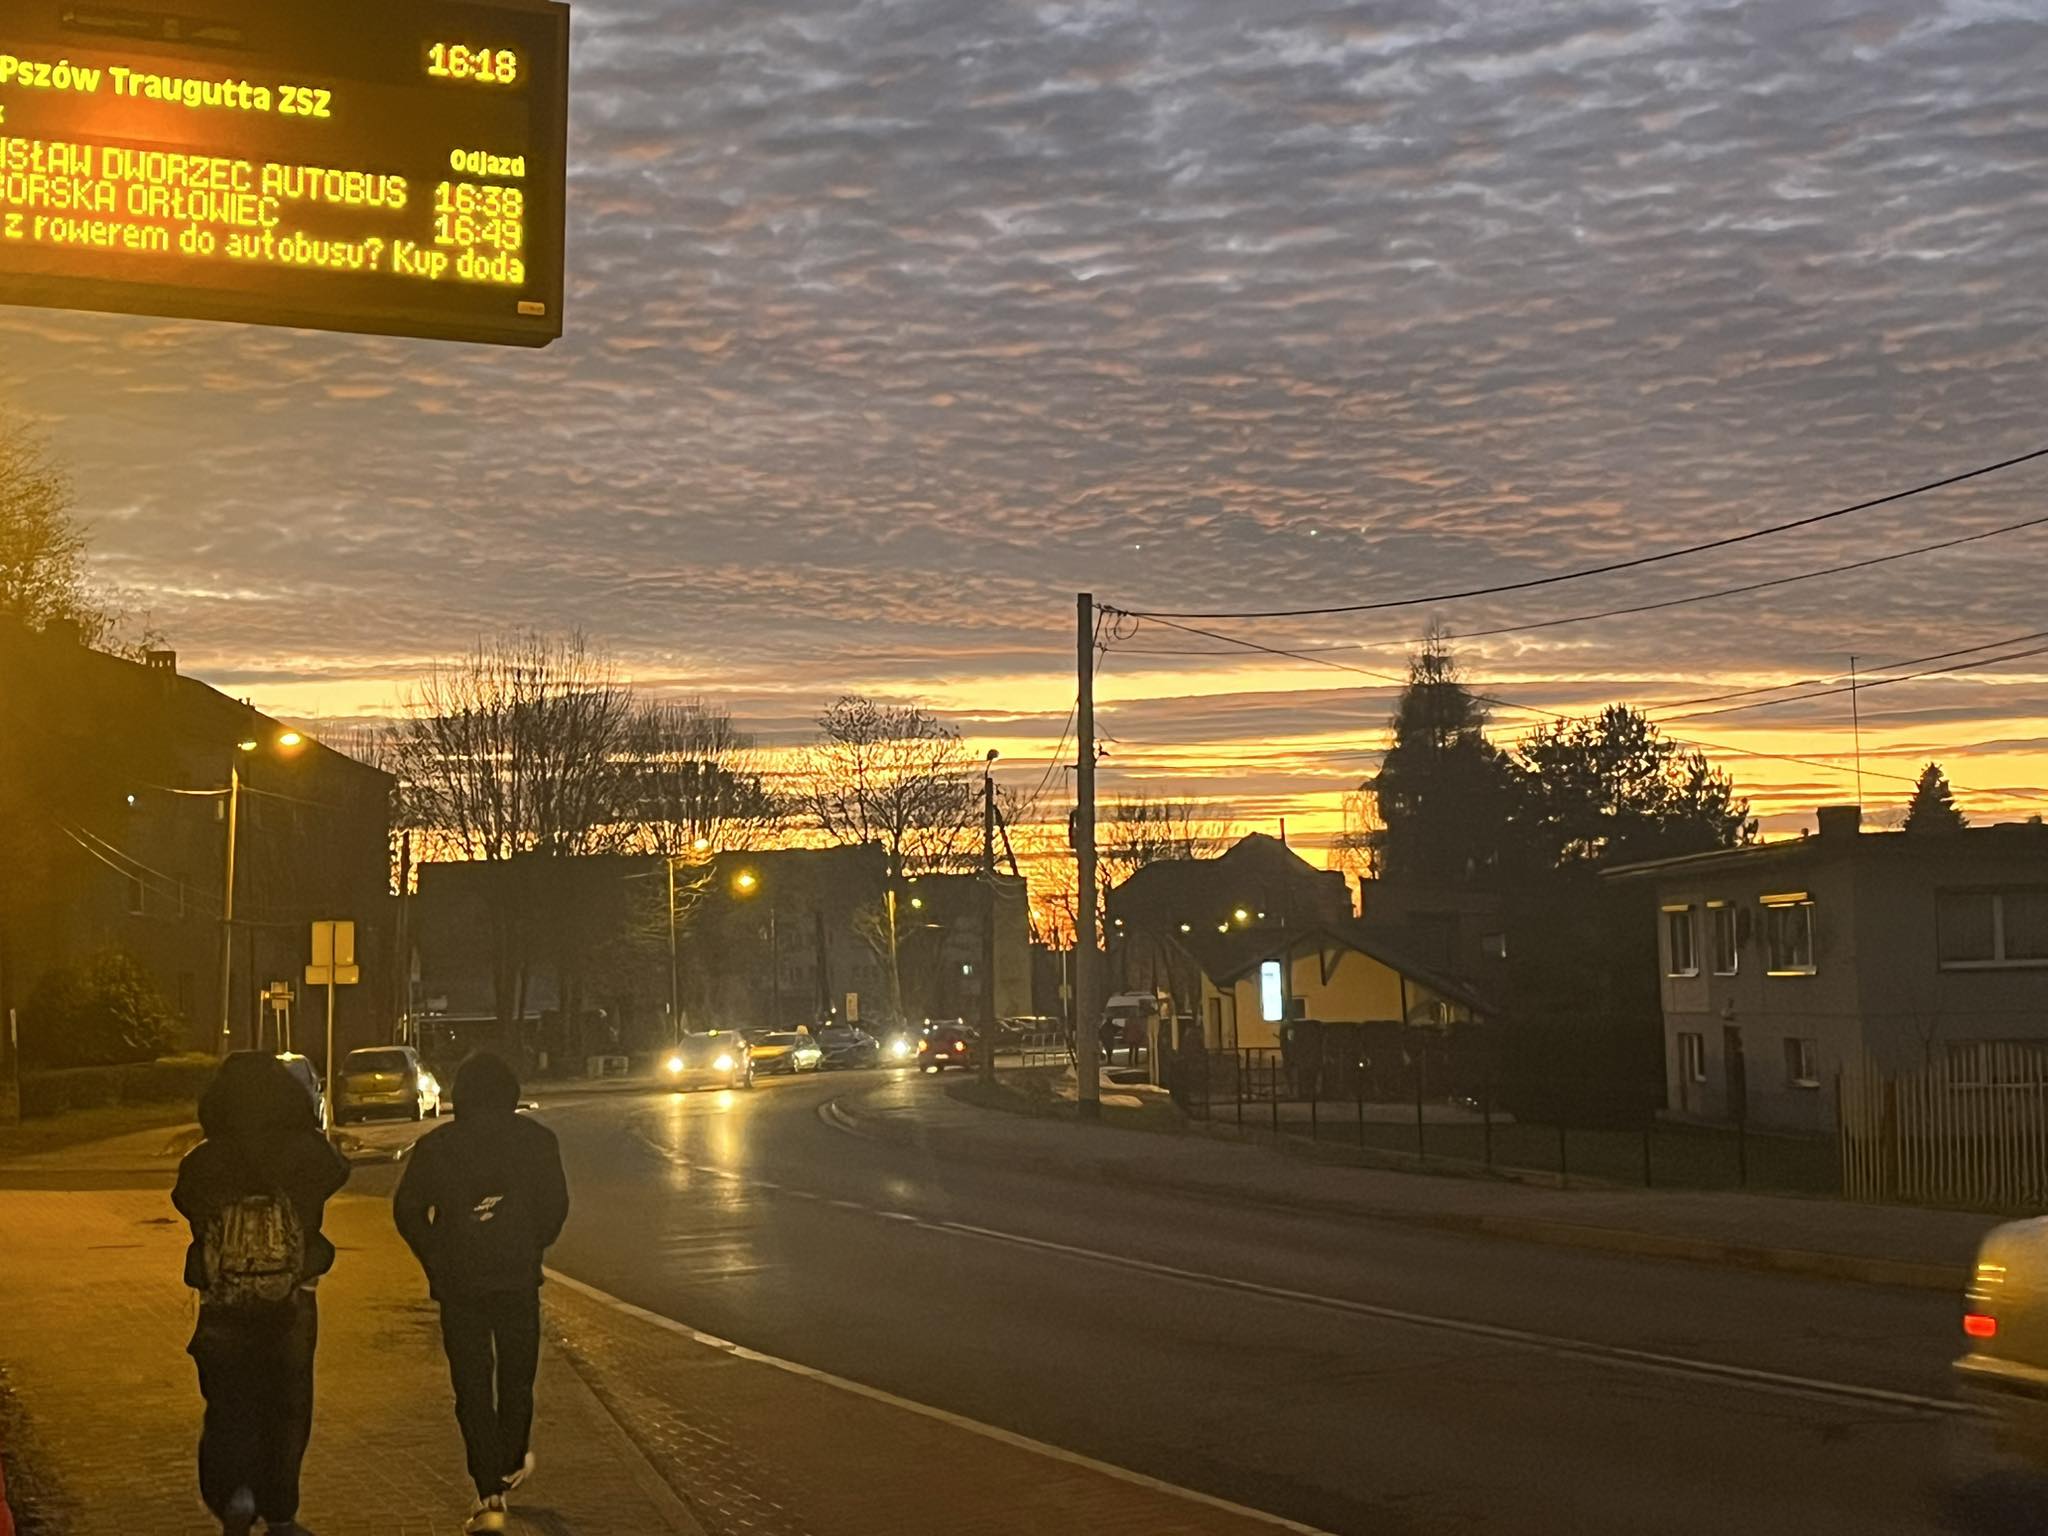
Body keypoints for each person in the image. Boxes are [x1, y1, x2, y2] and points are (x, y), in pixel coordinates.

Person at [173, 1053, 350, 1536]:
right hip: (292, 1296)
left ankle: (234, 1493)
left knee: (228, 1403)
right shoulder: (307, 1153)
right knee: (287, 1405)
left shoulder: (204, 1161)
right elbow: (337, 1171)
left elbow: (185, 1200)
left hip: (223, 1299)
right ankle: (280, 1508)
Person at [393, 1052, 569, 1534]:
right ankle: (510, 1461)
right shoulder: (537, 1142)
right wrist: (530, 1243)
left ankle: (487, 1487)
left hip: (460, 1283)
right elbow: (555, 1207)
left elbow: (407, 1210)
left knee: (471, 1385)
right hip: (516, 1279)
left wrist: (436, 1255)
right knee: (517, 1378)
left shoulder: (437, 1147)